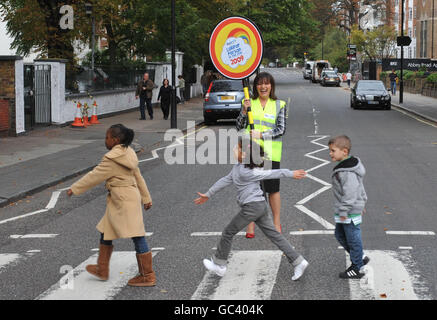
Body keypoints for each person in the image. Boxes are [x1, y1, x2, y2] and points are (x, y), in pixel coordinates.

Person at [194, 137, 309, 280]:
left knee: (228, 232)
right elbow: (225, 179)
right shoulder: (239, 167)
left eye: (237, 148)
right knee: (274, 235)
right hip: (259, 206)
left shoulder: (247, 171)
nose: (234, 149)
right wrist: (208, 194)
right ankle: (299, 261)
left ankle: (219, 264)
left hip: (252, 207)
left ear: (244, 154)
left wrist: (290, 173)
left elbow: (271, 173)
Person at [67, 124, 156, 287]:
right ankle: (102, 269)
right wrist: (146, 197)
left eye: (107, 137)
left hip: (121, 199)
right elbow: (138, 177)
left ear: (115, 140)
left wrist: (75, 188)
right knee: (106, 230)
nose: (105, 140)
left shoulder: (111, 159)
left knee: (137, 235)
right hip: (128, 197)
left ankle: (147, 275)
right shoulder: (129, 153)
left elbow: (94, 176)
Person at [236, 72, 286, 238]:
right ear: (255, 86)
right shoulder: (247, 103)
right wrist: (244, 112)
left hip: (271, 153)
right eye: (259, 83)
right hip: (251, 151)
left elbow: (281, 130)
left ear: (271, 86)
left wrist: (262, 135)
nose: (263, 87)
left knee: (272, 190)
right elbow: (239, 127)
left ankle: (276, 223)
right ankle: (251, 225)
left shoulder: (279, 104)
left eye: (267, 83)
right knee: (252, 189)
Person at [328, 135, 369, 279]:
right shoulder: (346, 168)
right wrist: (362, 201)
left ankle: (356, 267)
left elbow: (351, 191)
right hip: (348, 209)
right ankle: (360, 256)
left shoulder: (346, 171)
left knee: (352, 238)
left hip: (349, 210)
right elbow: (360, 188)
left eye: (333, 151)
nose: (330, 153)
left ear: (344, 151)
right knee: (340, 235)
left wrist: (345, 209)